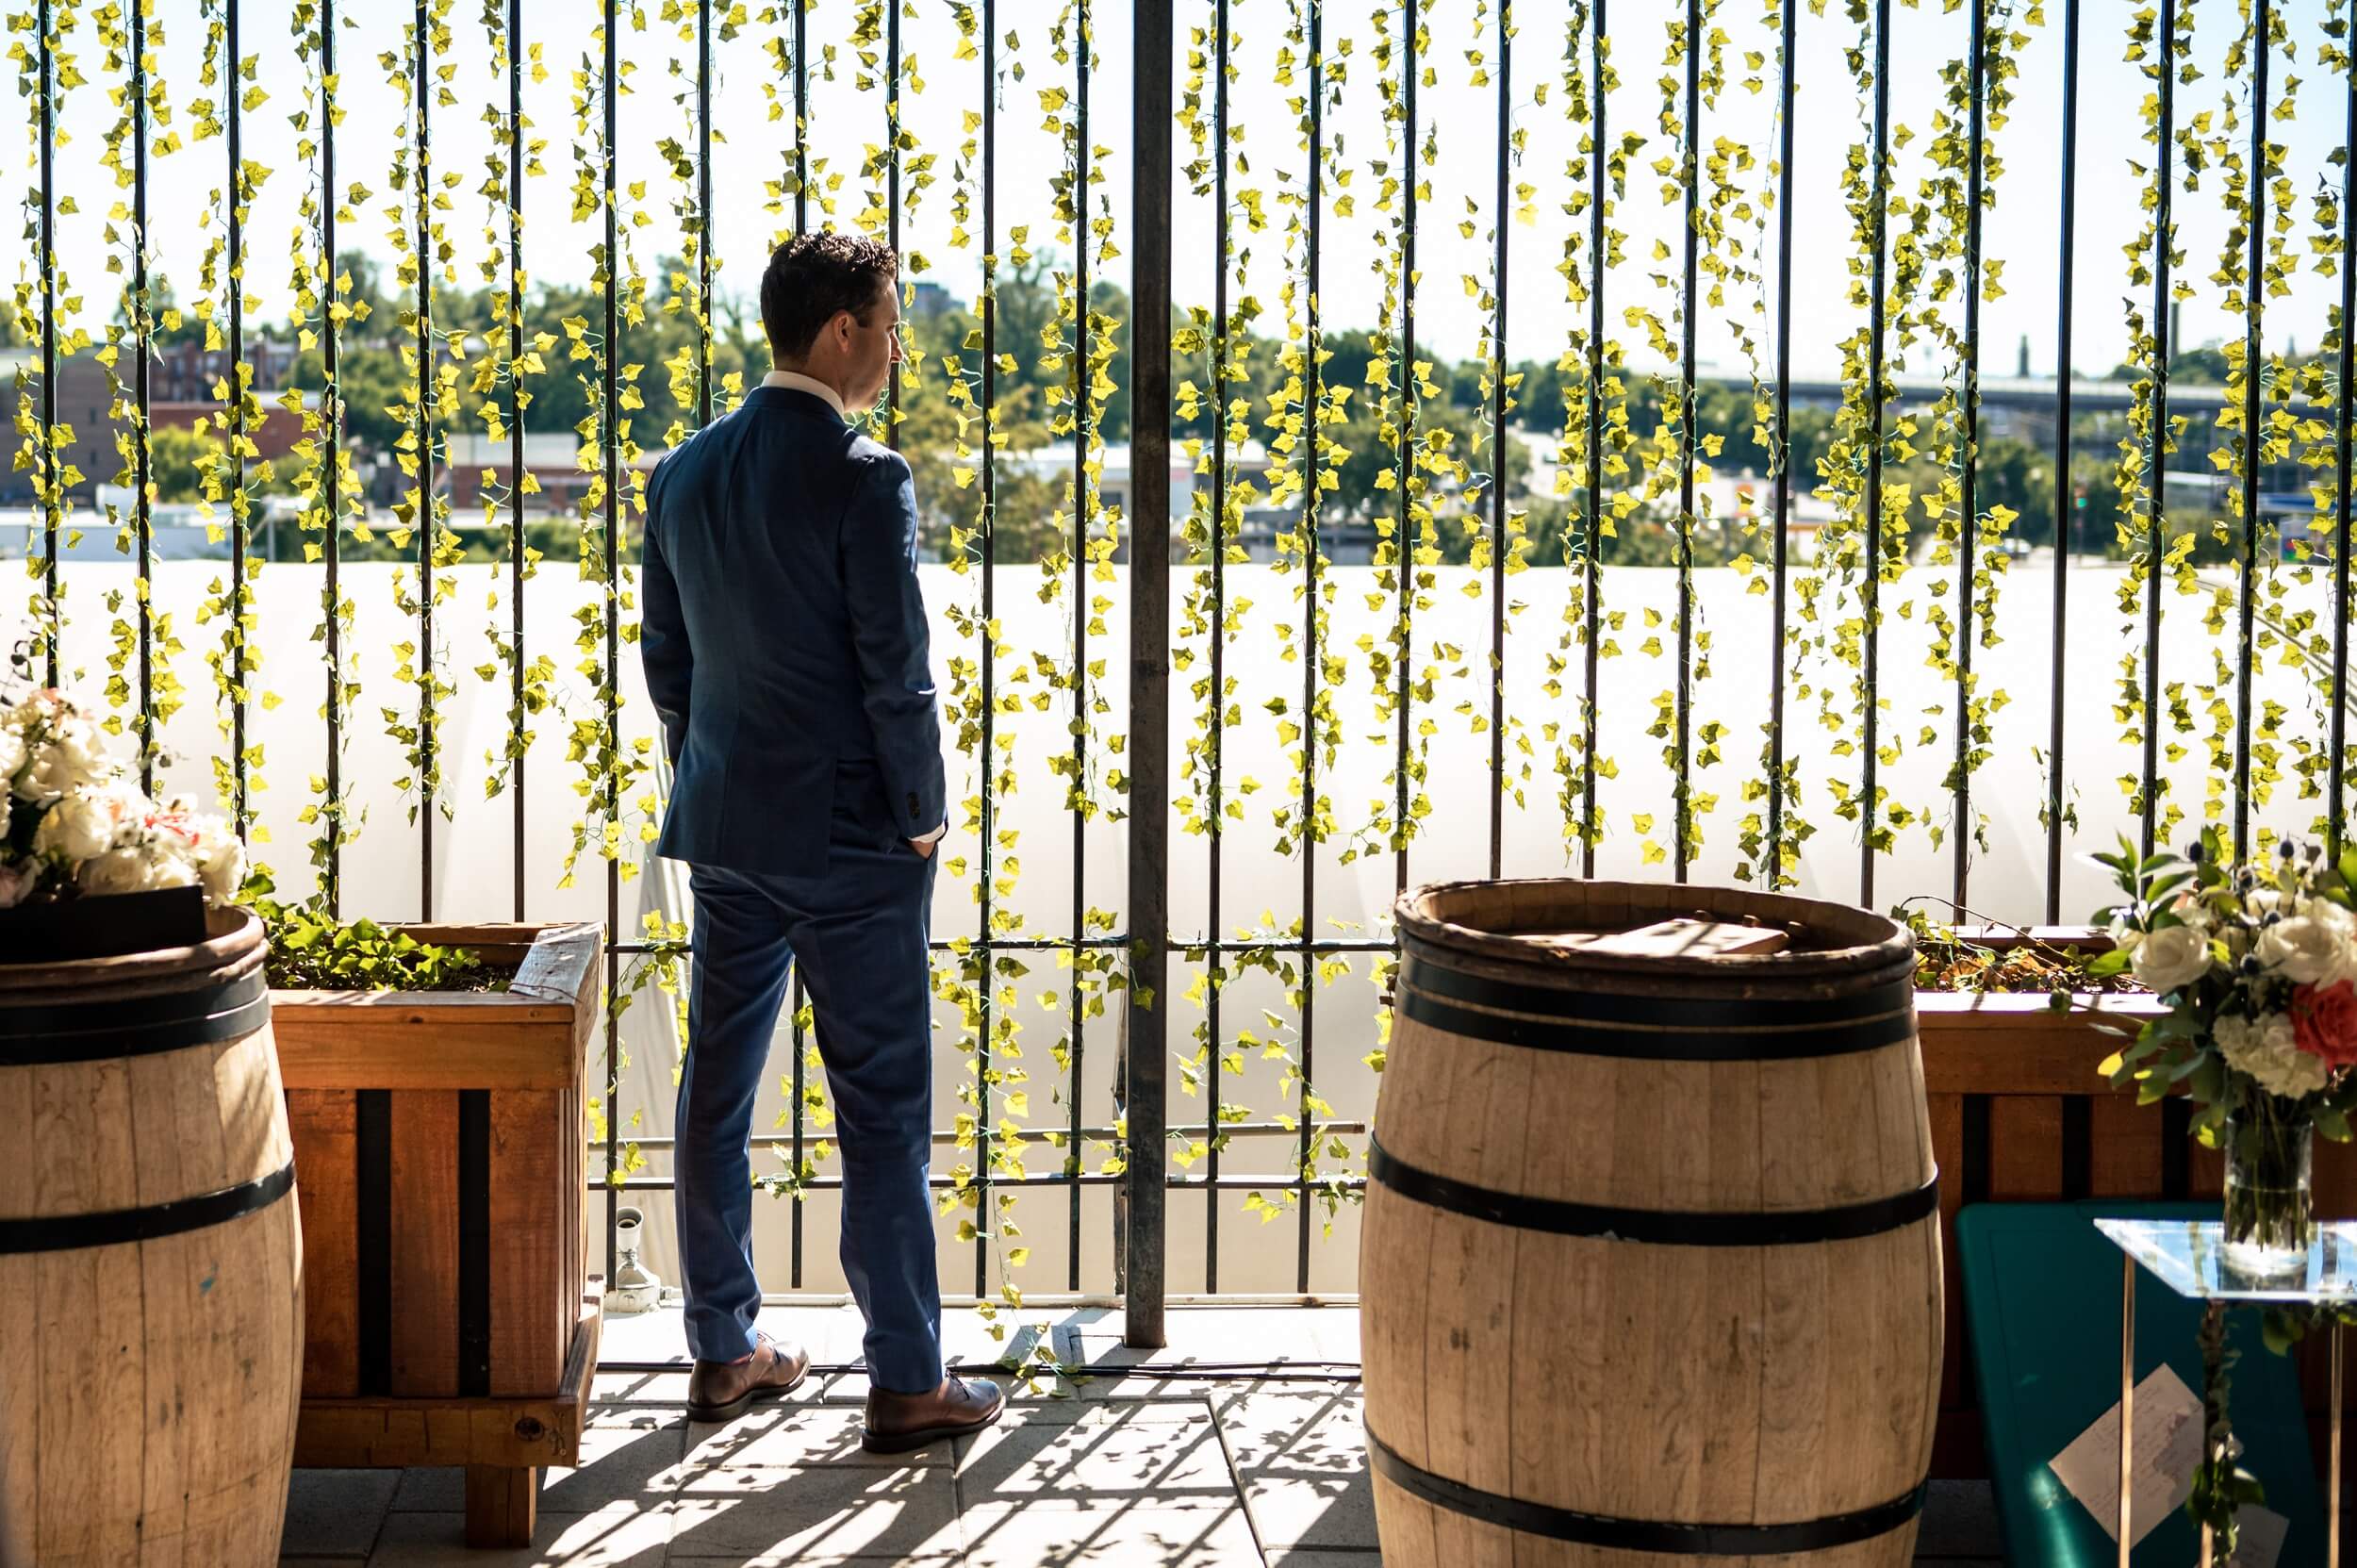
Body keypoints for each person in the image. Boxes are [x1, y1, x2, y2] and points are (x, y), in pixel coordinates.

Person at [639, 231, 1003, 1451]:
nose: (897, 348)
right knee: (882, 1108)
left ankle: (724, 1348)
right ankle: (907, 1378)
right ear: (842, 329)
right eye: (891, 323)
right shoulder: (865, 475)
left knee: (715, 1094)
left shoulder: (681, 474)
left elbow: (670, 666)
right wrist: (922, 817)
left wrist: (717, 768)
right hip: (852, 845)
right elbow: (894, 671)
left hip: (729, 828)